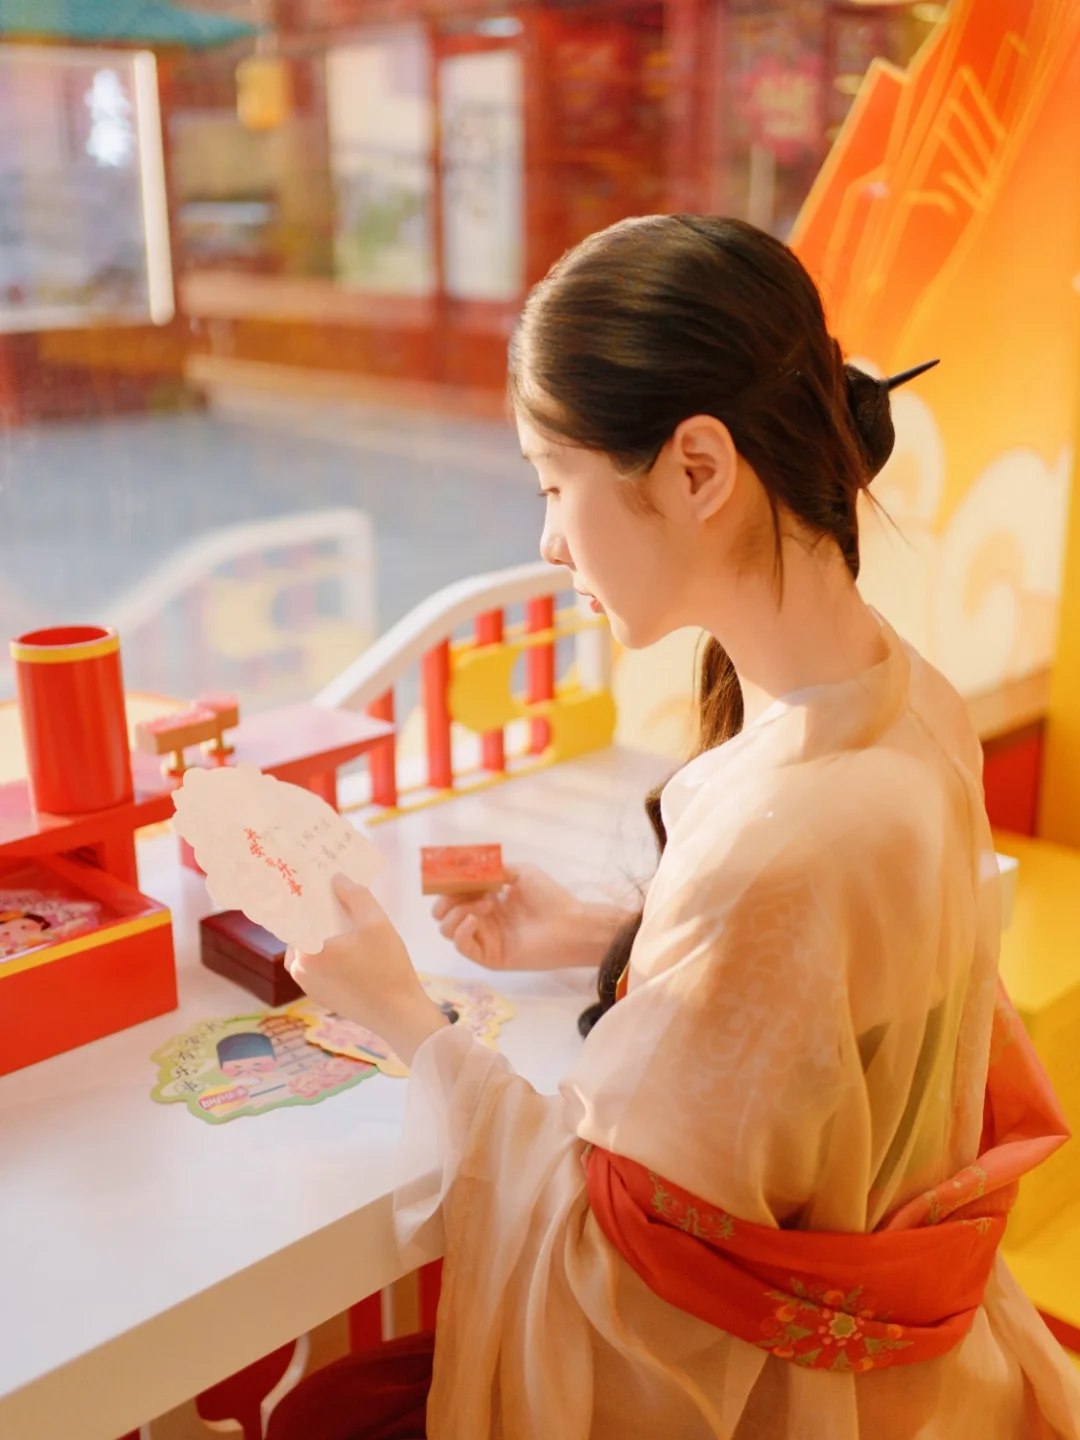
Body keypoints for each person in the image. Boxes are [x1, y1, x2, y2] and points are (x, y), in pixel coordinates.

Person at [274, 216, 1080, 1439]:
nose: (549, 539)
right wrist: (611, 935)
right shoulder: (913, 699)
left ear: (698, 469)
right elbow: (825, 1022)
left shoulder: (780, 840)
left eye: (556, 483)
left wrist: (397, 1010)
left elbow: (614, 1272)